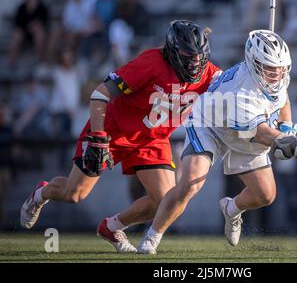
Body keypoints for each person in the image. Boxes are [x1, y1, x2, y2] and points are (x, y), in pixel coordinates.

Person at [20, 20, 222, 252]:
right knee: (74, 194)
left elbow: (235, 87)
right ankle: (41, 193)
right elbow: (99, 94)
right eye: (188, 56)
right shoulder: (150, 63)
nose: (195, 63)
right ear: (173, 51)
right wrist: (97, 136)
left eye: (199, 56)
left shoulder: (209, 73)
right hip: (113, 129)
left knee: (165, 201)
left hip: (152, 138)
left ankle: (112, 227)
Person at [136, 30, 297, 254]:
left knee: (265, 195)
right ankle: (153, 234)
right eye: (271, 68)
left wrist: (288, 127)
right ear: (254, 62)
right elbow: (261, 133)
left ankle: (232, 208)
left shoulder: (274, 77)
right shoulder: (243, 89)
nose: (277, 74)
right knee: (190, 183)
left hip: (244, 131)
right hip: (211, 125)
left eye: (280, 68)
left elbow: (283, 99)